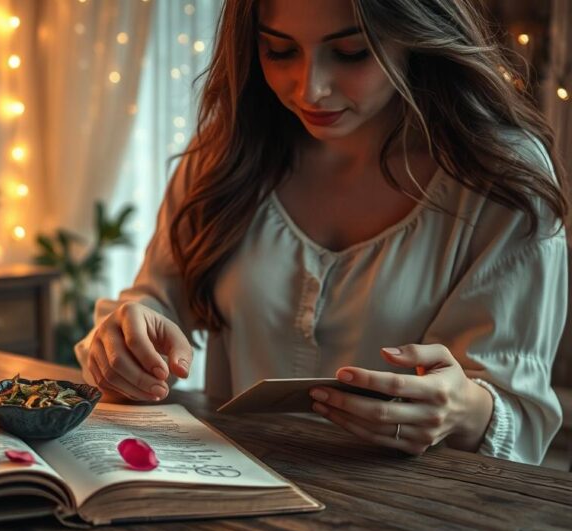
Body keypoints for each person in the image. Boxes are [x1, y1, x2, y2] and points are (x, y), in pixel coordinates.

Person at [75, 0, 569, 465]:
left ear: (416, 35)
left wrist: (462, 411)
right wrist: (126, 341)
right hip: (230, 506)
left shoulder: (499, 180)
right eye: (280, 50)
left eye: (351, 52)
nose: (310, 88)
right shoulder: (226, 157)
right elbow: (155, 301)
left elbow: (518, 419)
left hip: (421, 529)